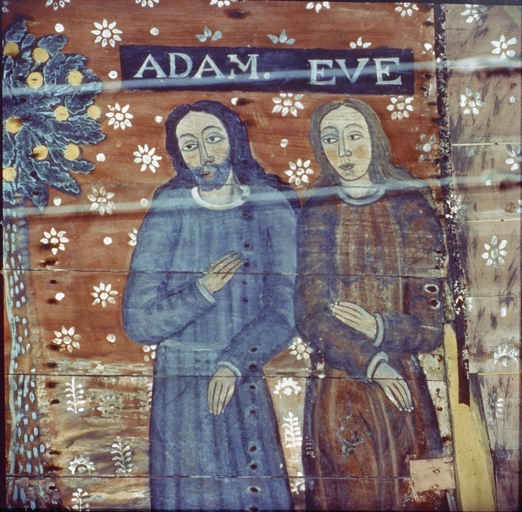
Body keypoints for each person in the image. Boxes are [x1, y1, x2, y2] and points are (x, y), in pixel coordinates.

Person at [122, 100, 296, 510]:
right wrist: (201, 290)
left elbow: (286, 309)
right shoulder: (170, 208)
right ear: (179, 154)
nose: (203, 155)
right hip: (180, 389)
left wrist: (234, 361)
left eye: (213, 139)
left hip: (242, 375)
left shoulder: (269, 204)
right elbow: (139, 322)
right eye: (189, 145)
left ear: (234, 141)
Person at [295, 98, 448, 510]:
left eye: (354, 136)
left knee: (415, 492)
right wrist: (371, 362)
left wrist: (379, 327)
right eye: (331, 139)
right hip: (340, 385)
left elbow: (430, 324)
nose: (343, 151)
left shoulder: (409, 206)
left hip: (405, 383)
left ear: (375, 140)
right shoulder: (319, 211)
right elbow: (310, 314)